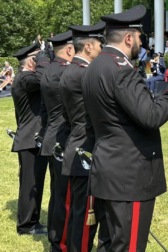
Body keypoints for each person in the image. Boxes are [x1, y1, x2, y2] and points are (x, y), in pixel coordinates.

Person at [81, 5, 168, 251]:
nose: (141, 43)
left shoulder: (94, 66)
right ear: (129, 38)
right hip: (130, 176)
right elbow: (150, 116)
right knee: (129, 246)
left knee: (110, 243)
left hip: (108, 170)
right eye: (140, 37)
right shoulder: (121, 70)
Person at [59, 22, 110, 251]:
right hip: (86, 148)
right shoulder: (85, 73)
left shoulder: (70, 70)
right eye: (100, 44)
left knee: (79, 211)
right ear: (88, 46)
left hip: (77, 144)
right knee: (85, 214)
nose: (102, 49)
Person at [39, 30, 74, 251]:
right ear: (69, 50)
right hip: (64, 138)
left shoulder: (48, 70)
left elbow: (44, 111)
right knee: (65, 197)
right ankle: (60, 242)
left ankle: (55, 236)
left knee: (57, 193)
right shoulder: (67, 73)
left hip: (51, 136)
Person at [11, 43, 49, 235]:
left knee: (35, 183)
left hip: (31, 139)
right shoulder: (26, 78)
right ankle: (26, 225)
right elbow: (44, 79)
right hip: (29, 140)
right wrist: (43, 60)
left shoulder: (24, 78)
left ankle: (32, 221)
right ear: (32, 61)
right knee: (30, 184)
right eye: (38, 59)